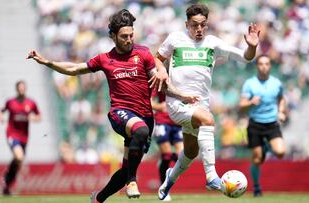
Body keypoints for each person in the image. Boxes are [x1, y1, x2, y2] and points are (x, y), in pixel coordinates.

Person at [27, 9, 198, 203]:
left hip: (145, 117)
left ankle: (99, 198)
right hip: (120, 113)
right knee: (140, 132)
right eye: (124, 36)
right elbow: (75, 69)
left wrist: (183, 95)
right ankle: (133, 181)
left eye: (131, 35)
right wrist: (47, 62)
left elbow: (161, 85)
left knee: (126, 169)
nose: (129, 39)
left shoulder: (143, 54)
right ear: (113, 36)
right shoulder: (104, 59)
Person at [152, 4, 260, 200]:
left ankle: (168, 180)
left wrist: (252, 46)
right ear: (187, 24)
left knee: (191, 152)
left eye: (203, 25)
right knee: (208, 120)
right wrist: (160, 69)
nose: (199, 29)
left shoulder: (212, 43)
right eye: (194, 25)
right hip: (177, 103)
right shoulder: (176, 39)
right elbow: (157, 59)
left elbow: (245, 58)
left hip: (199, 106)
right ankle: (211, 176)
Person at [239, 55, 286, 197]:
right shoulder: (249, 84)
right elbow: (241, 105)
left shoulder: (276, 83)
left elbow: (281, 98)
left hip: (272, 123)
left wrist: (281, 111)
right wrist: (250, 102)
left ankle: (266, 146)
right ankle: (257, 187)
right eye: (260, 64)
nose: (263, 66)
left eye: (266, 63)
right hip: (255, 125)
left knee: (280, 152)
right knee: (258, 159)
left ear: (270, 66)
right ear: (257, 66)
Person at [0, 80, 41, 195]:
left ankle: (7, 185)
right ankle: (6, 178)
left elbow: (39, 116)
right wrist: (1, 117)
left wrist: (34, 118)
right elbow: (0, 111)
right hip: (12, 134)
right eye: (20, 88)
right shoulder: (10, 102)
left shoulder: (31, 103)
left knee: (19, 162)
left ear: (25, 89)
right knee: (19, 156)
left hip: (24, 137)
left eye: (23, 88)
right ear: (16, 89)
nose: (22, 89)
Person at [151, 90, 183, 202]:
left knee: (182, 156)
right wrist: (160, 106)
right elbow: (149, 101)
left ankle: (165, 167)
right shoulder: (161, 80)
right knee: (167, 155)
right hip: (162, 121)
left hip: (178, 123)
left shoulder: (182, 80)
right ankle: (164, 188)